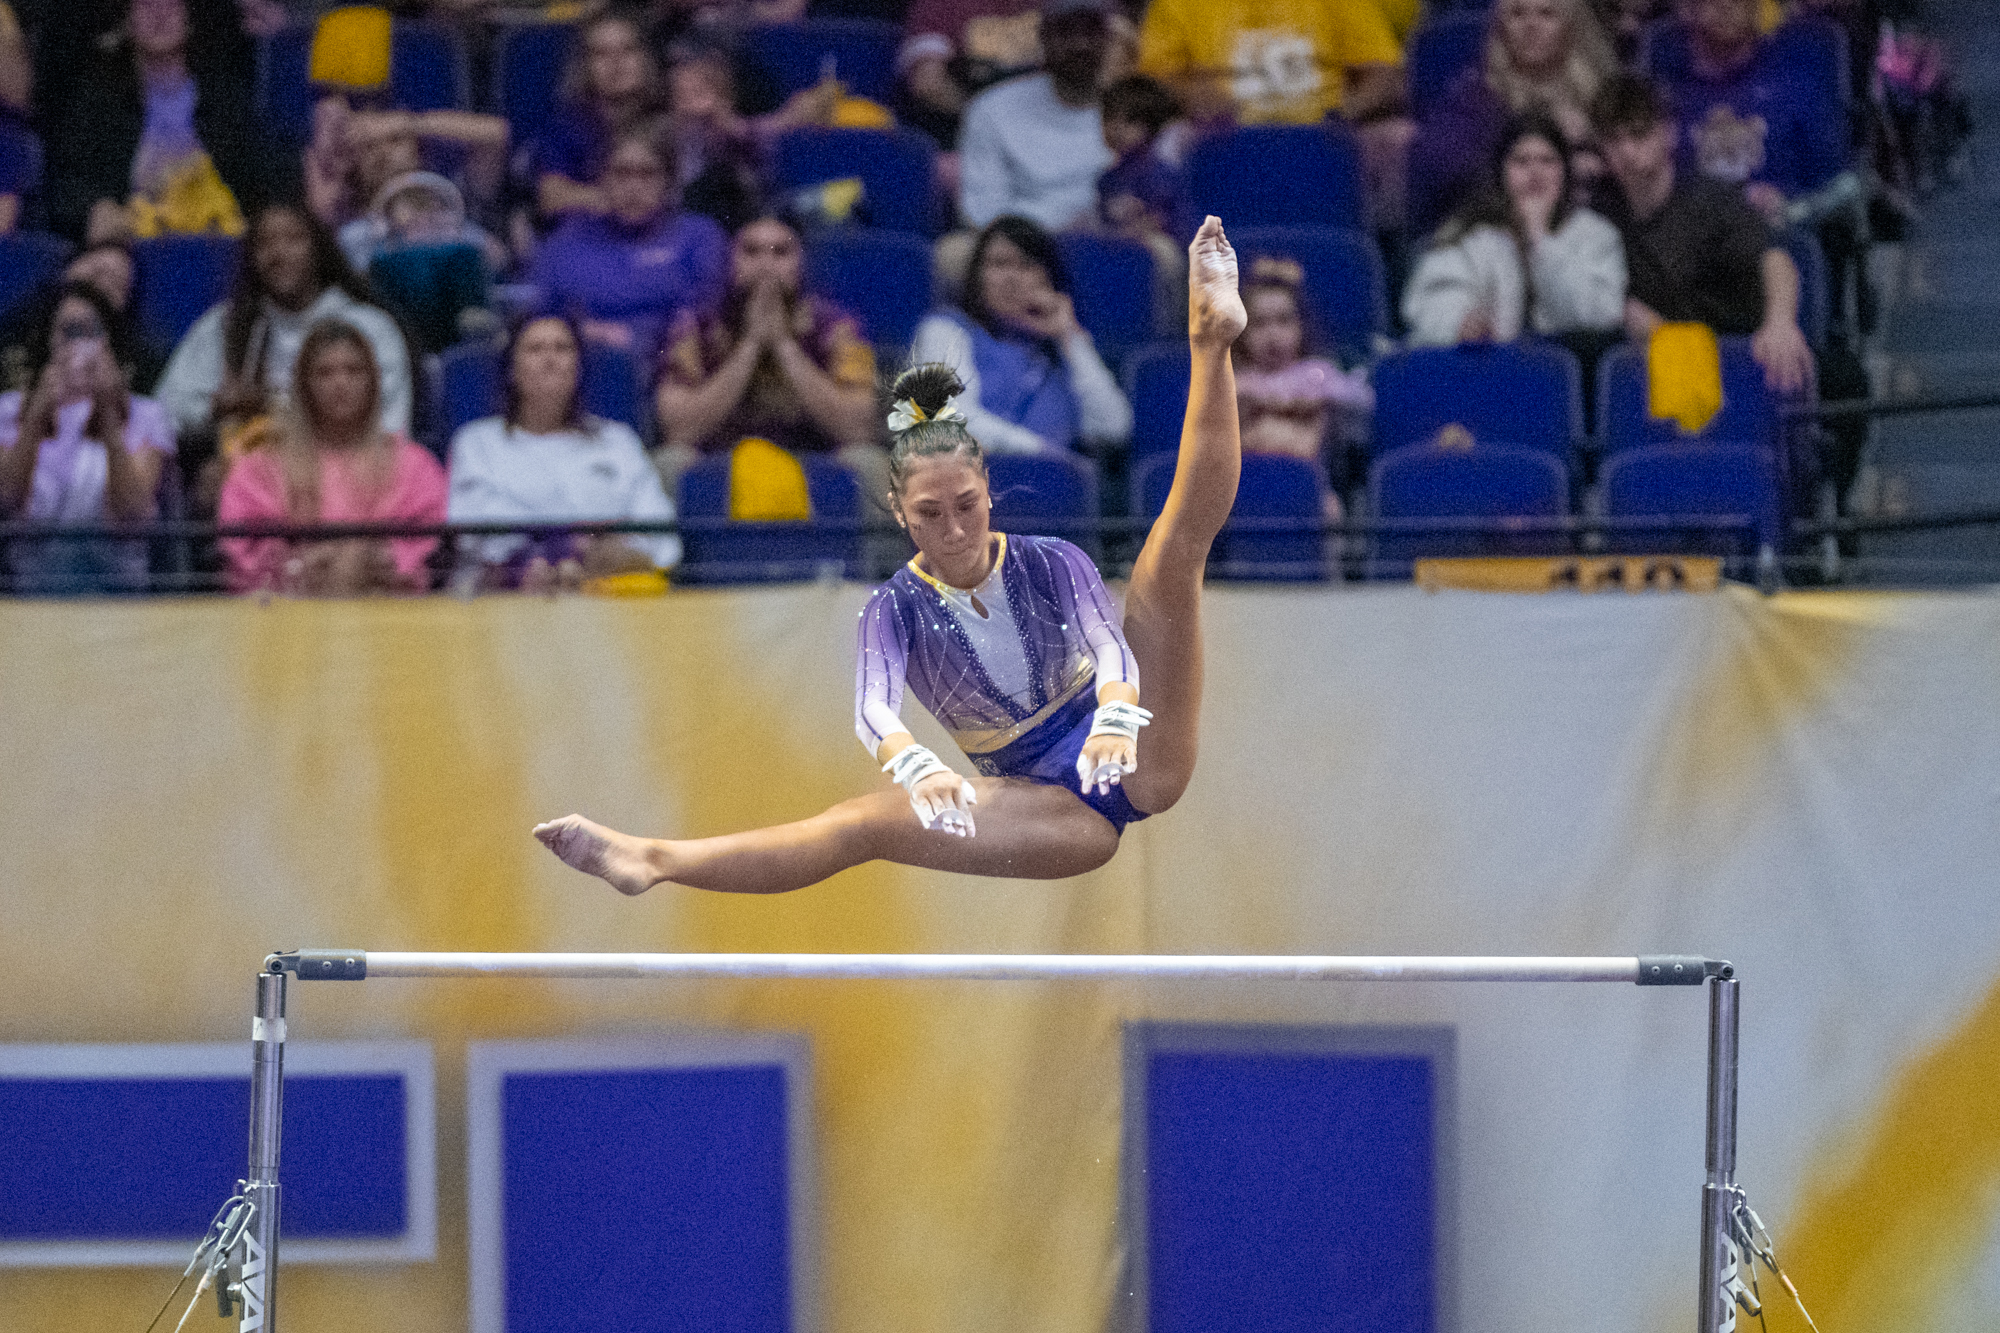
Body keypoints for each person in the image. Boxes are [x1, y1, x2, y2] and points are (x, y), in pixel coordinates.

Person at [531, 215, 1248, 895]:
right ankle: (653, 859)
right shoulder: (893, 610)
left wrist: (1117, 719)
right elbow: (875, 712)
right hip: (1052, 810)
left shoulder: (1051, 561)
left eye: (967, 505)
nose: (956, 527)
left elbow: (1110, 647)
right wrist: (916, 767)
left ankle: (1210, 344)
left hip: (1135, 752)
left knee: (1171, 554)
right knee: (858, 823)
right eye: (931, 514)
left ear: (989, 492)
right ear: (902, 515)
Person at [1589, 74, 1812, 394]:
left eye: (1639, 135)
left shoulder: (1712, 199)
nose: (1626, 151)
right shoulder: (1599, 215)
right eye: (1614, 139)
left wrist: (1780, 323)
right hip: (1658, 367)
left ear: (1669, 133)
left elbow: (1774, 258)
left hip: (1740, 357)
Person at [654, 214, 886, 503]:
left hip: (812, 462)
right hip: (721, 463)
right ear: (730, 262)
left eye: (780, 252)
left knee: (870, 461)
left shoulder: (842, 327)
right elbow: (679, 431)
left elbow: (858, 429)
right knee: (668, 462)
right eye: (751, 251)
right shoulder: (693, 327)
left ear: (801, 263)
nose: (765, 264)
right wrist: (750, 344)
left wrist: (784, 344)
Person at [155, 202, 413, 459]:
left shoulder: (368, 327)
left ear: (318, 248)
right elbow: (166, 411)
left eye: (293, 239)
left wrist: (279, 409)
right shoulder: (227, 325)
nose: (278, 253)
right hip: (252, 476)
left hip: (348, 473)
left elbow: (392, 425)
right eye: (265, 243)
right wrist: (217, 408)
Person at [449, 315, 679, 591]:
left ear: (579, 366)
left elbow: (661, 536)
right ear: (512, 368)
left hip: (610, 591)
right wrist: (559, 550)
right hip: (509, 593)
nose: (550, 359)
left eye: (562, 348)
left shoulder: (619, 442)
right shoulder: (477, 442)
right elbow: (473, 531)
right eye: (535, 349)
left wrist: (605, 554)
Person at [217, 318, 445, 595]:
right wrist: (296, 567)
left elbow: (426, 556)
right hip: (289, 619)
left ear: (372, 381)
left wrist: (377, 562)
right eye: (324, 373)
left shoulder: (414, 467)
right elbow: (244, 559)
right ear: (304, 384)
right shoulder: (261, 468)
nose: (341, 383)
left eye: (354, 371)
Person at [40, 0, 270, 243]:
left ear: (189, 19)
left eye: (170, 5)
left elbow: (253, 183)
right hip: (129, 244)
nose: (159, 14)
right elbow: (67, 182)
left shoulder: (225, 99)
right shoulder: (97, 102)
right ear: (127, 20)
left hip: (216, 241)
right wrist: (95, 208)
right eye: (146, 5)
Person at [0, 280, 172, 593]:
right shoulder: (9, 410)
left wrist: (107, 417)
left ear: (108, 341)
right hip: (28, 599)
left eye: (88, 331)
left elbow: (133, 516)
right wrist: (36, 417)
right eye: (68, 331)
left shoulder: (146, 414)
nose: (76, 345)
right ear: (48, 340)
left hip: (118, 597)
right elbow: (6, 500)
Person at [909, 215, 1130, 454]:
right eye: (999, 264)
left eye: (1026, 265)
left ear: (1049, 277)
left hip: (1049, 487)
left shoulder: (1065, 350)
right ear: (977, 276)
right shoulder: (946, 330)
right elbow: (945, 417)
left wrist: (1070, 338)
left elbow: (1113, 429)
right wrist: (1039, 452)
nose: (1011, 278)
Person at [1404, 112, 1626, 347]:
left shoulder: (1595, 234)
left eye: (1547, 160)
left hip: (1573, 369)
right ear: (1502, 173)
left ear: (1564, 172)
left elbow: (1600, 316)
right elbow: (1435, 296)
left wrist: (1540, 240)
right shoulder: (1473, 231)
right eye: (1521, 161)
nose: (1535, 172)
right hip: (1487, 369)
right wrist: (1460, 322)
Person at [1407, 0, 1618, 237]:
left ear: (1570, 24)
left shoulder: (1604, 97)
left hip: (1593, 236)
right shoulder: (1474, 97)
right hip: (1495, 235)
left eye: (1546, 14)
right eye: (1517, 14)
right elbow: (1439, 169)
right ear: (1500, 26)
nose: (1531, 26)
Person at [529, 125, 730, 360]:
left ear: (668, 182)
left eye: (646, 174)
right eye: (621, 173)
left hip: (673, 370)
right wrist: (584, 332)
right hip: (587, 369)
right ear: (602, 179)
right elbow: (542, 317)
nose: (633, 187)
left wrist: (634, 336)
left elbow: (702, 319)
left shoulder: (699, 237)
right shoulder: (565, 243)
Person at [1653, 0, 1848, 222]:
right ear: (1686, 7)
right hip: (1687, 238)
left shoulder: (1796, 78)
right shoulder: (1663, 90)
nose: (1727, 5)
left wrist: (1791, 209)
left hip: (1780, 239)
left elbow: (1841, 186)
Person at [957, 0, 1116, 234]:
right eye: (1066, 32)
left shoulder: (1136, 109)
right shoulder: (992, 108)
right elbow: (982, 211)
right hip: (1022, 246)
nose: (1080, 45)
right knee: (952, 254)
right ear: (1043, 37)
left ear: (1109, 39)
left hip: (1108, 244)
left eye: (1091, 32)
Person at [1234, 257, 1371, 506]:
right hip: (1246, 497)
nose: (1272, 335)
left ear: (1302, 325)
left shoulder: (1317, 373)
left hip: (1311, 493)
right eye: (1260, 324)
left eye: (1284, 321)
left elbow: (1361, 401)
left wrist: (1319, 399)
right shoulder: (1235, 382)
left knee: (1331, 510)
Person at [529, 12, 670, 223]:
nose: (616, 62)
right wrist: (622, 200)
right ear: (585, 66)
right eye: (601, 53)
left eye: (628, 50)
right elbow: (552, 198)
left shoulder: (669, 120)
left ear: (645, 58)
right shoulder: (567, 126)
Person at [896, 0, 1042, 148]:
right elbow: (929, 84)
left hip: (1047, 129)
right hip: (966, 133)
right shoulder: (940, 5)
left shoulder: (1057, 8)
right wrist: (990, 121)